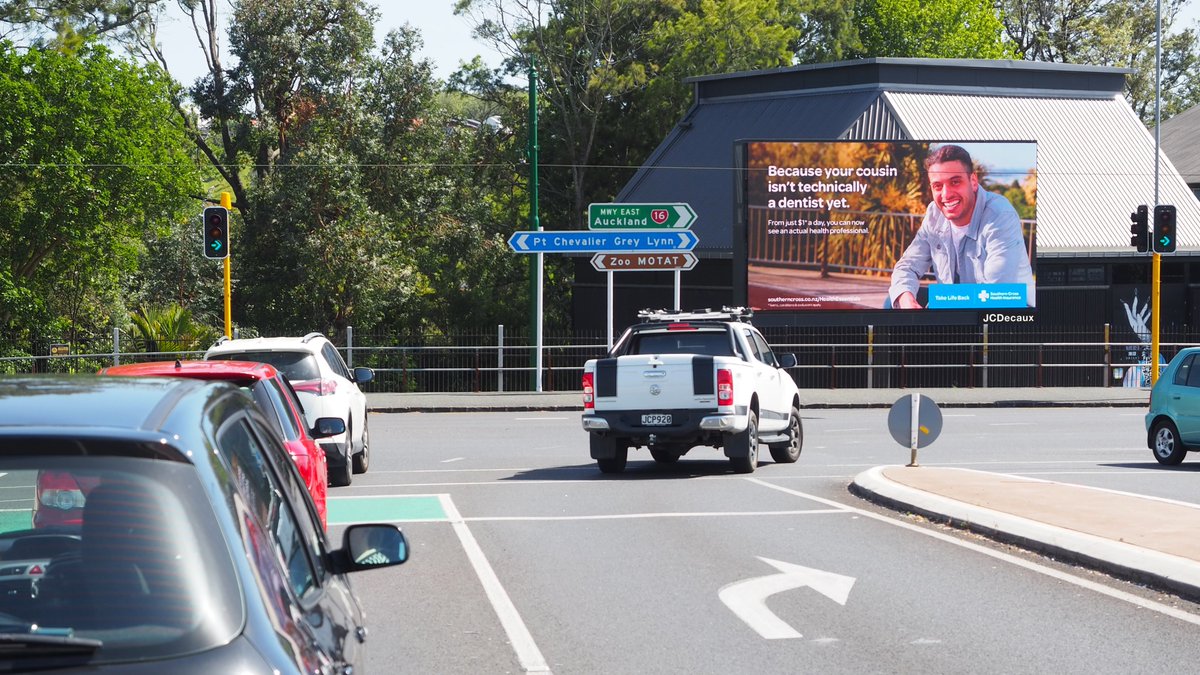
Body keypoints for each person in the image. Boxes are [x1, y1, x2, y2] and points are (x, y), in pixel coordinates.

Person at [888, 144, 1035, 309]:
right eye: (938, 186)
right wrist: (907, 300)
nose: (946, 194)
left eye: (955, 182)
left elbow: (996, 290)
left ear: (973, 181)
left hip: (1010, 307)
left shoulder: (1000, 215)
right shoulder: (934, 214)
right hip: (954, 304)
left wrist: (938, 305)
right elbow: (907, 266)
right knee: (895, 301)